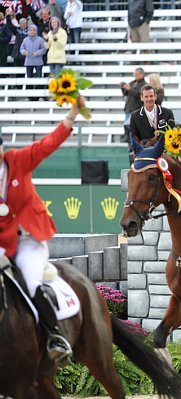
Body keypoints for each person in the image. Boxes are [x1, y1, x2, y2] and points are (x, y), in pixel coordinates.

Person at [0, 96, 87, 364]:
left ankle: (55, 336)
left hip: (28, 240)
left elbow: (47, 145)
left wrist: (72, 115)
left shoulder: (17, 161)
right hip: (2, 243)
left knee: (31, 280)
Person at [20, 24, 45, 101]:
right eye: (30, 30)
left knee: (39, 78)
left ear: (36, 31)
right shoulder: (25, 40)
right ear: (28, 31)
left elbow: (44, 49)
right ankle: (29, 96)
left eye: (34, 30)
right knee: (29, 78)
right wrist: (24, 52)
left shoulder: (40, 39)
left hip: (38, 62)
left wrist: (37, 53)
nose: (32, 31)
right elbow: (21, 49)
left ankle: (39, 96)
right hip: (28, 62)